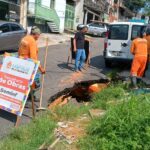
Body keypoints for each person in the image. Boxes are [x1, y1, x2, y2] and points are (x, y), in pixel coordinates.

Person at [18, 26, 45, 104]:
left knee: (25, 82)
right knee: (36, 84)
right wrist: (41, 68)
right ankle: (27, 98)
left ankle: (30, 97)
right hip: (29, 65)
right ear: (35, 34)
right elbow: (33, 58)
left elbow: (19, 50)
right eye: (39, 35)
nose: (39, 37)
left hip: (21, 63)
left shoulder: (25, 38)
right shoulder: (32, 41)